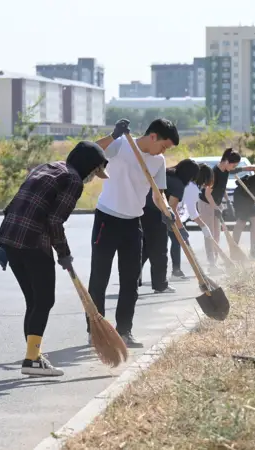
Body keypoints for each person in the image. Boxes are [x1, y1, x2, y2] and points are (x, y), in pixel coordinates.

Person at [0, 139, 110, 377]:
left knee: (34, 301)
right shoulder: (73, 180)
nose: (92, 178)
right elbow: (55, 221)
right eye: (94, 172)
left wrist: (4, 245)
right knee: (44, 301)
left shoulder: (46, 167)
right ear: (89, 166)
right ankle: (32, 359)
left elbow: (13, 204)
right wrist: (64, 253)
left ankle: (33, 356)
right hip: (33, 243)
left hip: (11, 239)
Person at [88, 118, 179, 349]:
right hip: (107, 218)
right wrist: (113, 135)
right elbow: (89, 151)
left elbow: (158, 194)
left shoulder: (158, 161)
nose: (164, 151)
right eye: (164, 146)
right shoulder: (122, 144)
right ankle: (95, 330)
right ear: (153, 136)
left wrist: (167, 211)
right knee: (99, 278)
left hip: (132, 223)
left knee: (130, 281)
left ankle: (124, 331)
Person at [139, 158, 200, 293]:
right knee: (160, 251)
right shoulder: (178, 184)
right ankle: (160, 285)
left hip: (141, 211)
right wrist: (181, 229)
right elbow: (171, 208)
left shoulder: (166, 174)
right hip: (156, 215)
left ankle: (134, 279)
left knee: (145, 249)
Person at [197, 148, 243, 274]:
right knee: (210, 234)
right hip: (206, 204)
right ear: (227, 161)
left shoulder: (226, 171)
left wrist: (227, 201)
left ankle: (216, 261)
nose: (234, 168)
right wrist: (215, 207)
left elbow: (222, 188)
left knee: (217, 234)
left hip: (216, 204)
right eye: (233, 165)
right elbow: (207, 193)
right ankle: (211, 263)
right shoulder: (214, 173)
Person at [170, 164, 215, 279]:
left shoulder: (190, 186)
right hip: (172, 216)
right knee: (177, 241)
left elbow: (190, 210)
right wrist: (203, 226)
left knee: (175, 242)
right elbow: (192, 211)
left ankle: (176, 271)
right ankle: (176, 271)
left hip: (175, 216)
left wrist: (203, 226)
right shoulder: (192, 188)